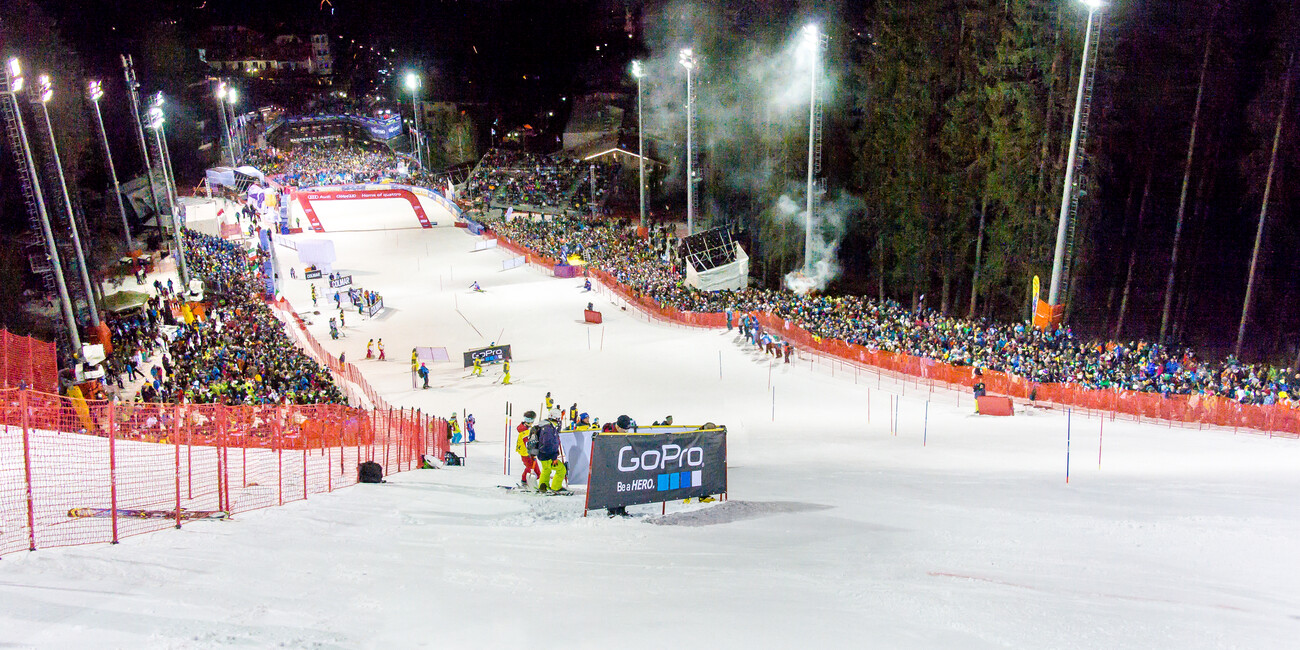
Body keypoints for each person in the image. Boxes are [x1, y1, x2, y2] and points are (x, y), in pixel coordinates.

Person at [535, 408, 567, 493]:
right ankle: (556, 487)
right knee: (561, 469)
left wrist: (561, 418)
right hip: (547, 455)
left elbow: (557, 431)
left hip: (543, 454)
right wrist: (554, 457)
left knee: (546, 470)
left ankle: (543, 486)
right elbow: (548, 444)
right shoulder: (548, 428)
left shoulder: (547, 425)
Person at [515, 410, 541, 486]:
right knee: (534, 470)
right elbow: (528, 443)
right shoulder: (524, 431)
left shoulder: (526, 428)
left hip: (527, 453)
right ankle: (527, 482)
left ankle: (525, 481)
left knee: (532, 469)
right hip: (526, 453)